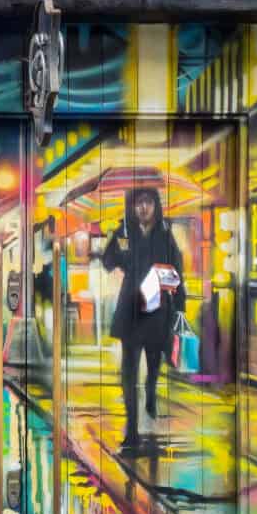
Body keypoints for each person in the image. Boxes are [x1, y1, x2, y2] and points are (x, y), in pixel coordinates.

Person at [101, 186, 185, 448]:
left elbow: (177, 268)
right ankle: (132, 427)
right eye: (139, 203)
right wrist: (120, 255)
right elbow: (107, 259)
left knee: (154, 360)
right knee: (128, 370)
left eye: (148, 202)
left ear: (155, 206)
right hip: (130, 309)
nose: (143, 208)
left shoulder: (165, 233)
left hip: (156, 307)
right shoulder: (124, 231)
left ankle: (150, 390)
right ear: (133, 207)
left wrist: (179, 304)